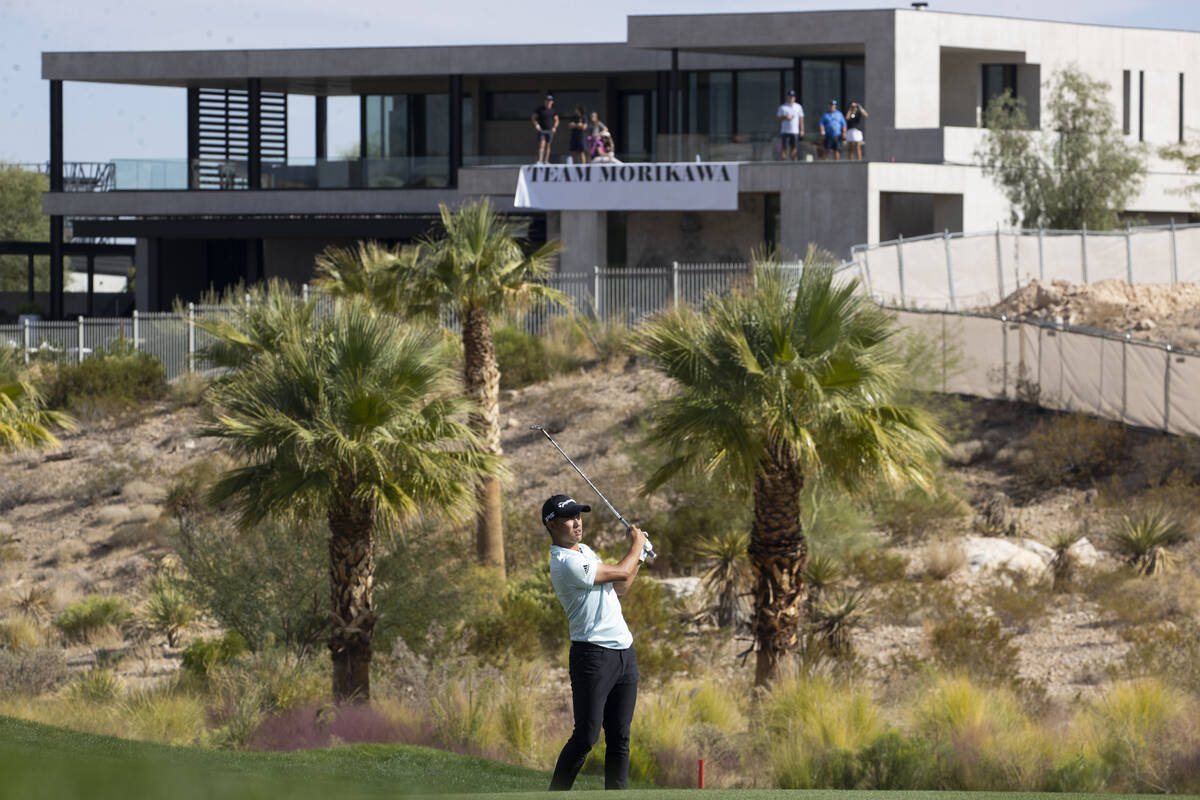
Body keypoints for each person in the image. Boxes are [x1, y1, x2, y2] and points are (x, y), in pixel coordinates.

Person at [543, 494, 646, 791]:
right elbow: (622, 571)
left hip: (624, 654)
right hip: (592, 656)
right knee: (586, 737)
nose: (578, 523)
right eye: (570, 518)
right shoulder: (565, 563)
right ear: (551, 525)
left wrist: (638, 555)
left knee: (620, 737)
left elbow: (622, 585)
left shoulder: (585, 550)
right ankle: (556, 794)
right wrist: (637, 545)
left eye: (580, 516)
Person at [776, 89, 805, 161]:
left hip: (794, 131)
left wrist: (802, 129)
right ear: (787, 97)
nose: (791, 98)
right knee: (784, 147)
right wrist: (785, 117)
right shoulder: (782, 107)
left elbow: (801, 119)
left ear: (794, 98)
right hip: (785, 131)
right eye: (790, 96)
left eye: (792, 96)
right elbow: (778, 119)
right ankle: (783, 162)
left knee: (794, 147)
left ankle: (794, 163)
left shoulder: (798, 107)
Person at [533, 95, 559, 164]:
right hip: (542, 130)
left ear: (552, 102)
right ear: (545, 101)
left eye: (550, 101)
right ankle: (540, 160)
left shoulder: (553, 110)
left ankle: (546, 160)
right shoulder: (540, 109)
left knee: (548, 145)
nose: (548, 102)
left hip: (550, 130)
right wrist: (536, 125)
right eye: (547, 100)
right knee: (542, 144)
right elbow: (534, 117)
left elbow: (556, 120)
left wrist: (554, 127)